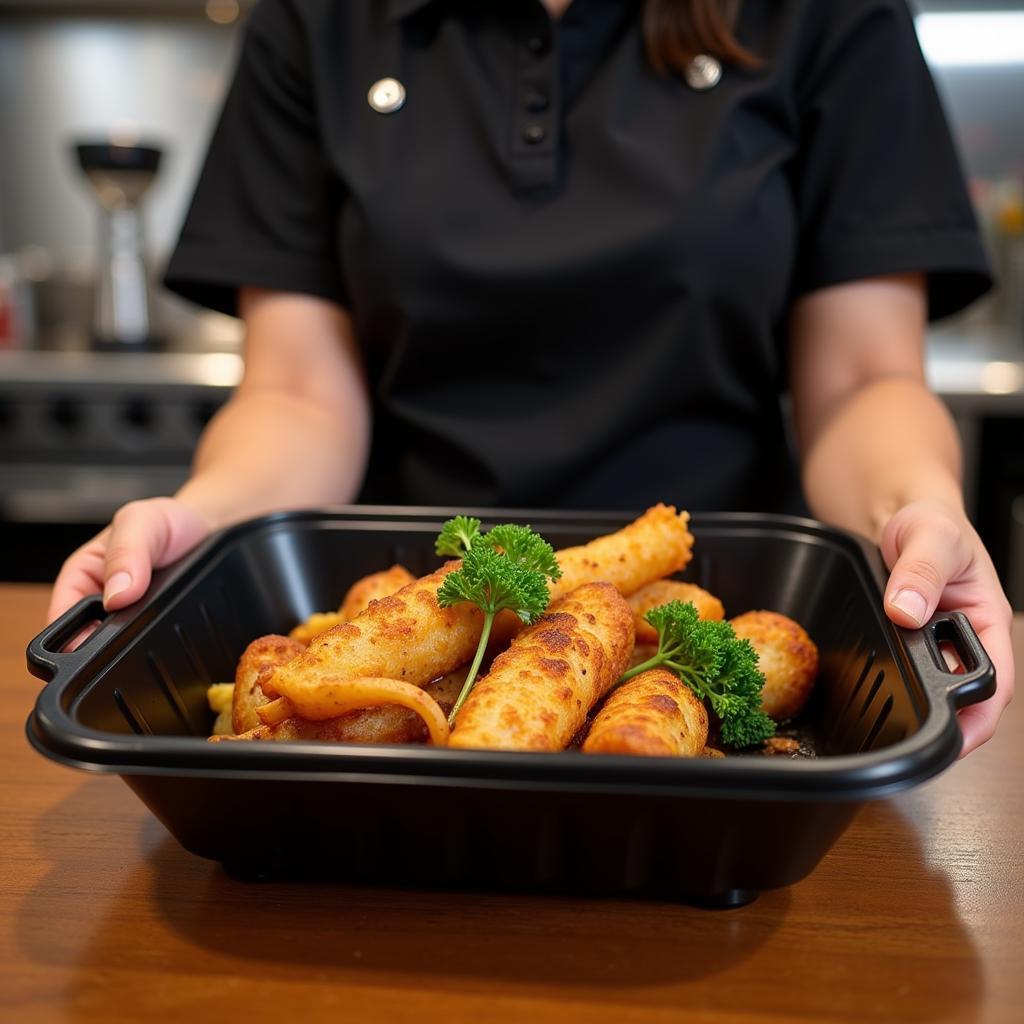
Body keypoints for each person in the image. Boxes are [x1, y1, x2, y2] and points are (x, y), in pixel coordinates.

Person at [48, 0, 1013, 756]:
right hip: (405, 586)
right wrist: (204, 523)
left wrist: (918, 516)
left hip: (716, 587)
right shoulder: (318, 19)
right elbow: (297, 390)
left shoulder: (831, 15)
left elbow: (860, 380)